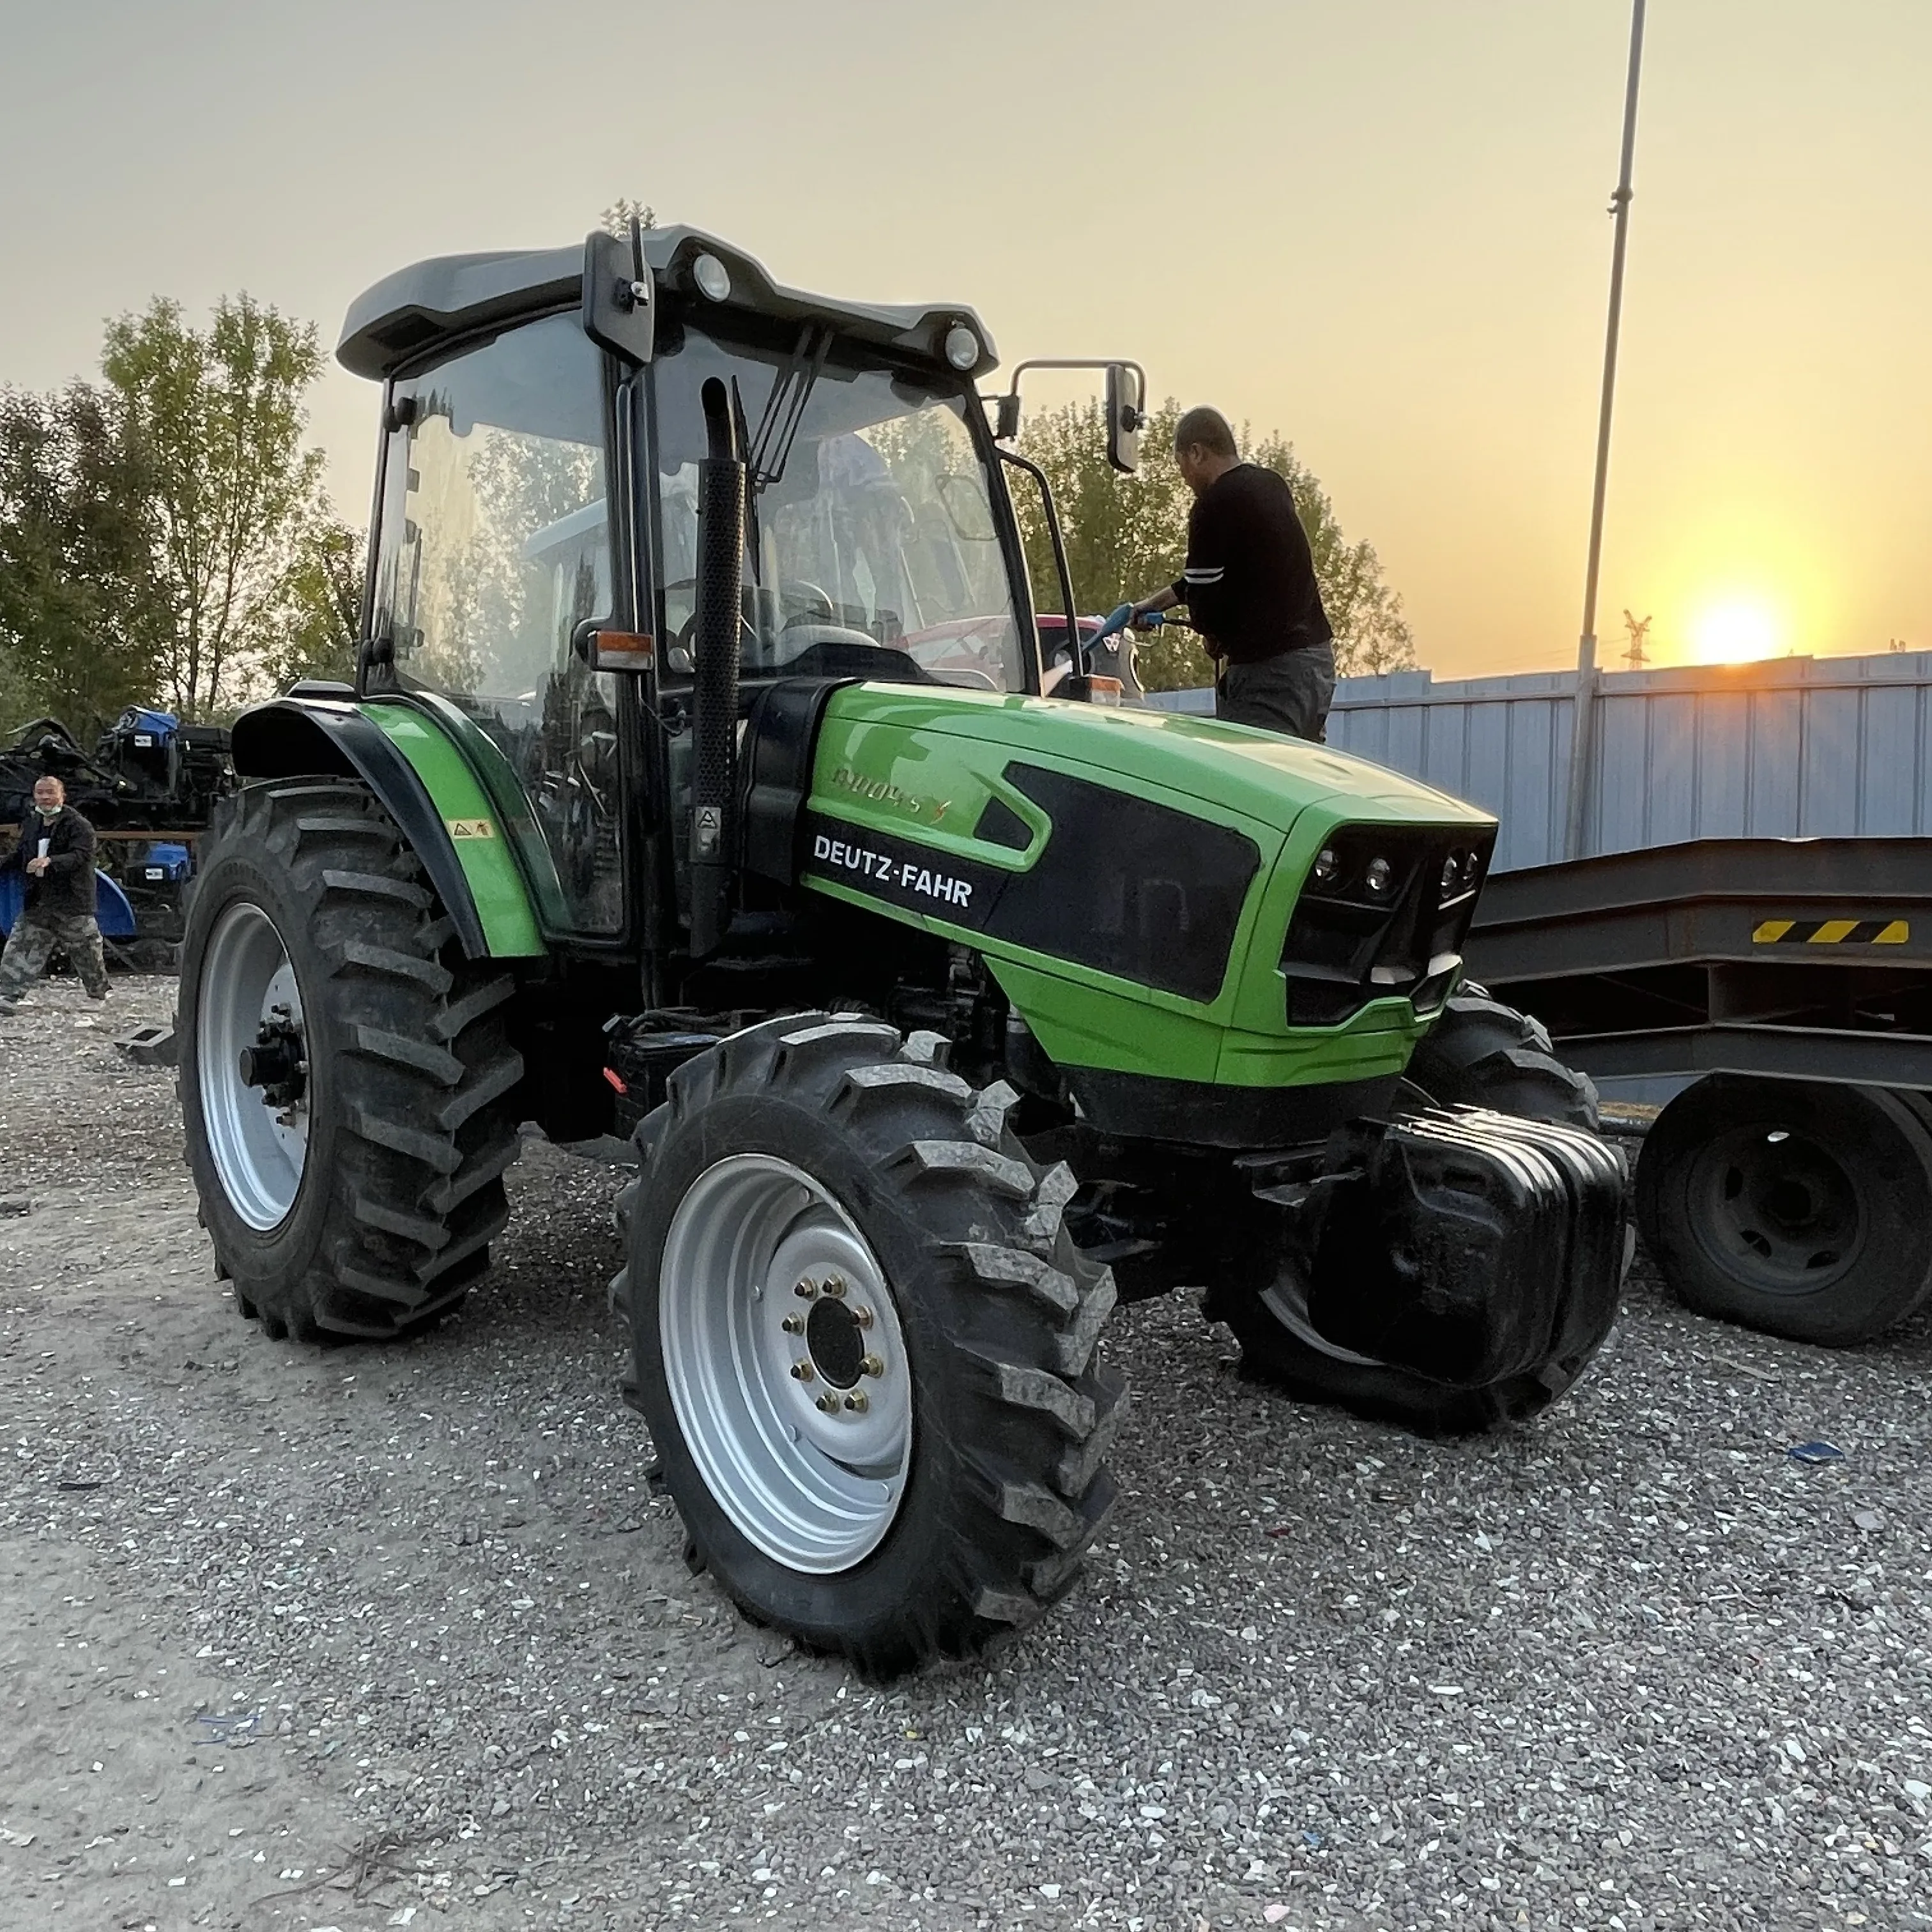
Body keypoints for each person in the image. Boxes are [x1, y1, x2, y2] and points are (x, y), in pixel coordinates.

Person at [1117, 406, 1337, 741]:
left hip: (1269, 676)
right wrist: (1152, 605)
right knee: (1297, 773)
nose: (1184, 477)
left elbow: (1207, 611)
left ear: (1196, 452)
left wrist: (1210, 633)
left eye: (1181, 465)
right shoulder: (1271, 485)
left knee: (1254, 777)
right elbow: (1220, 578)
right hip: (1315, 667)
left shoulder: (1213, 503)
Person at [0, 776, 110, 1012]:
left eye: (50, 793)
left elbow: (81, 857)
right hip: (38, 900)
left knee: (87, 952)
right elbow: (21, 855)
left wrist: (50, 862)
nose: (45, 798)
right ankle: (9, 996)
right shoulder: (32, 823)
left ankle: (97, 994)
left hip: (71, 900)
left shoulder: (79, 825)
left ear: (62, 795)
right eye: (40, 793)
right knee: (20, 946)